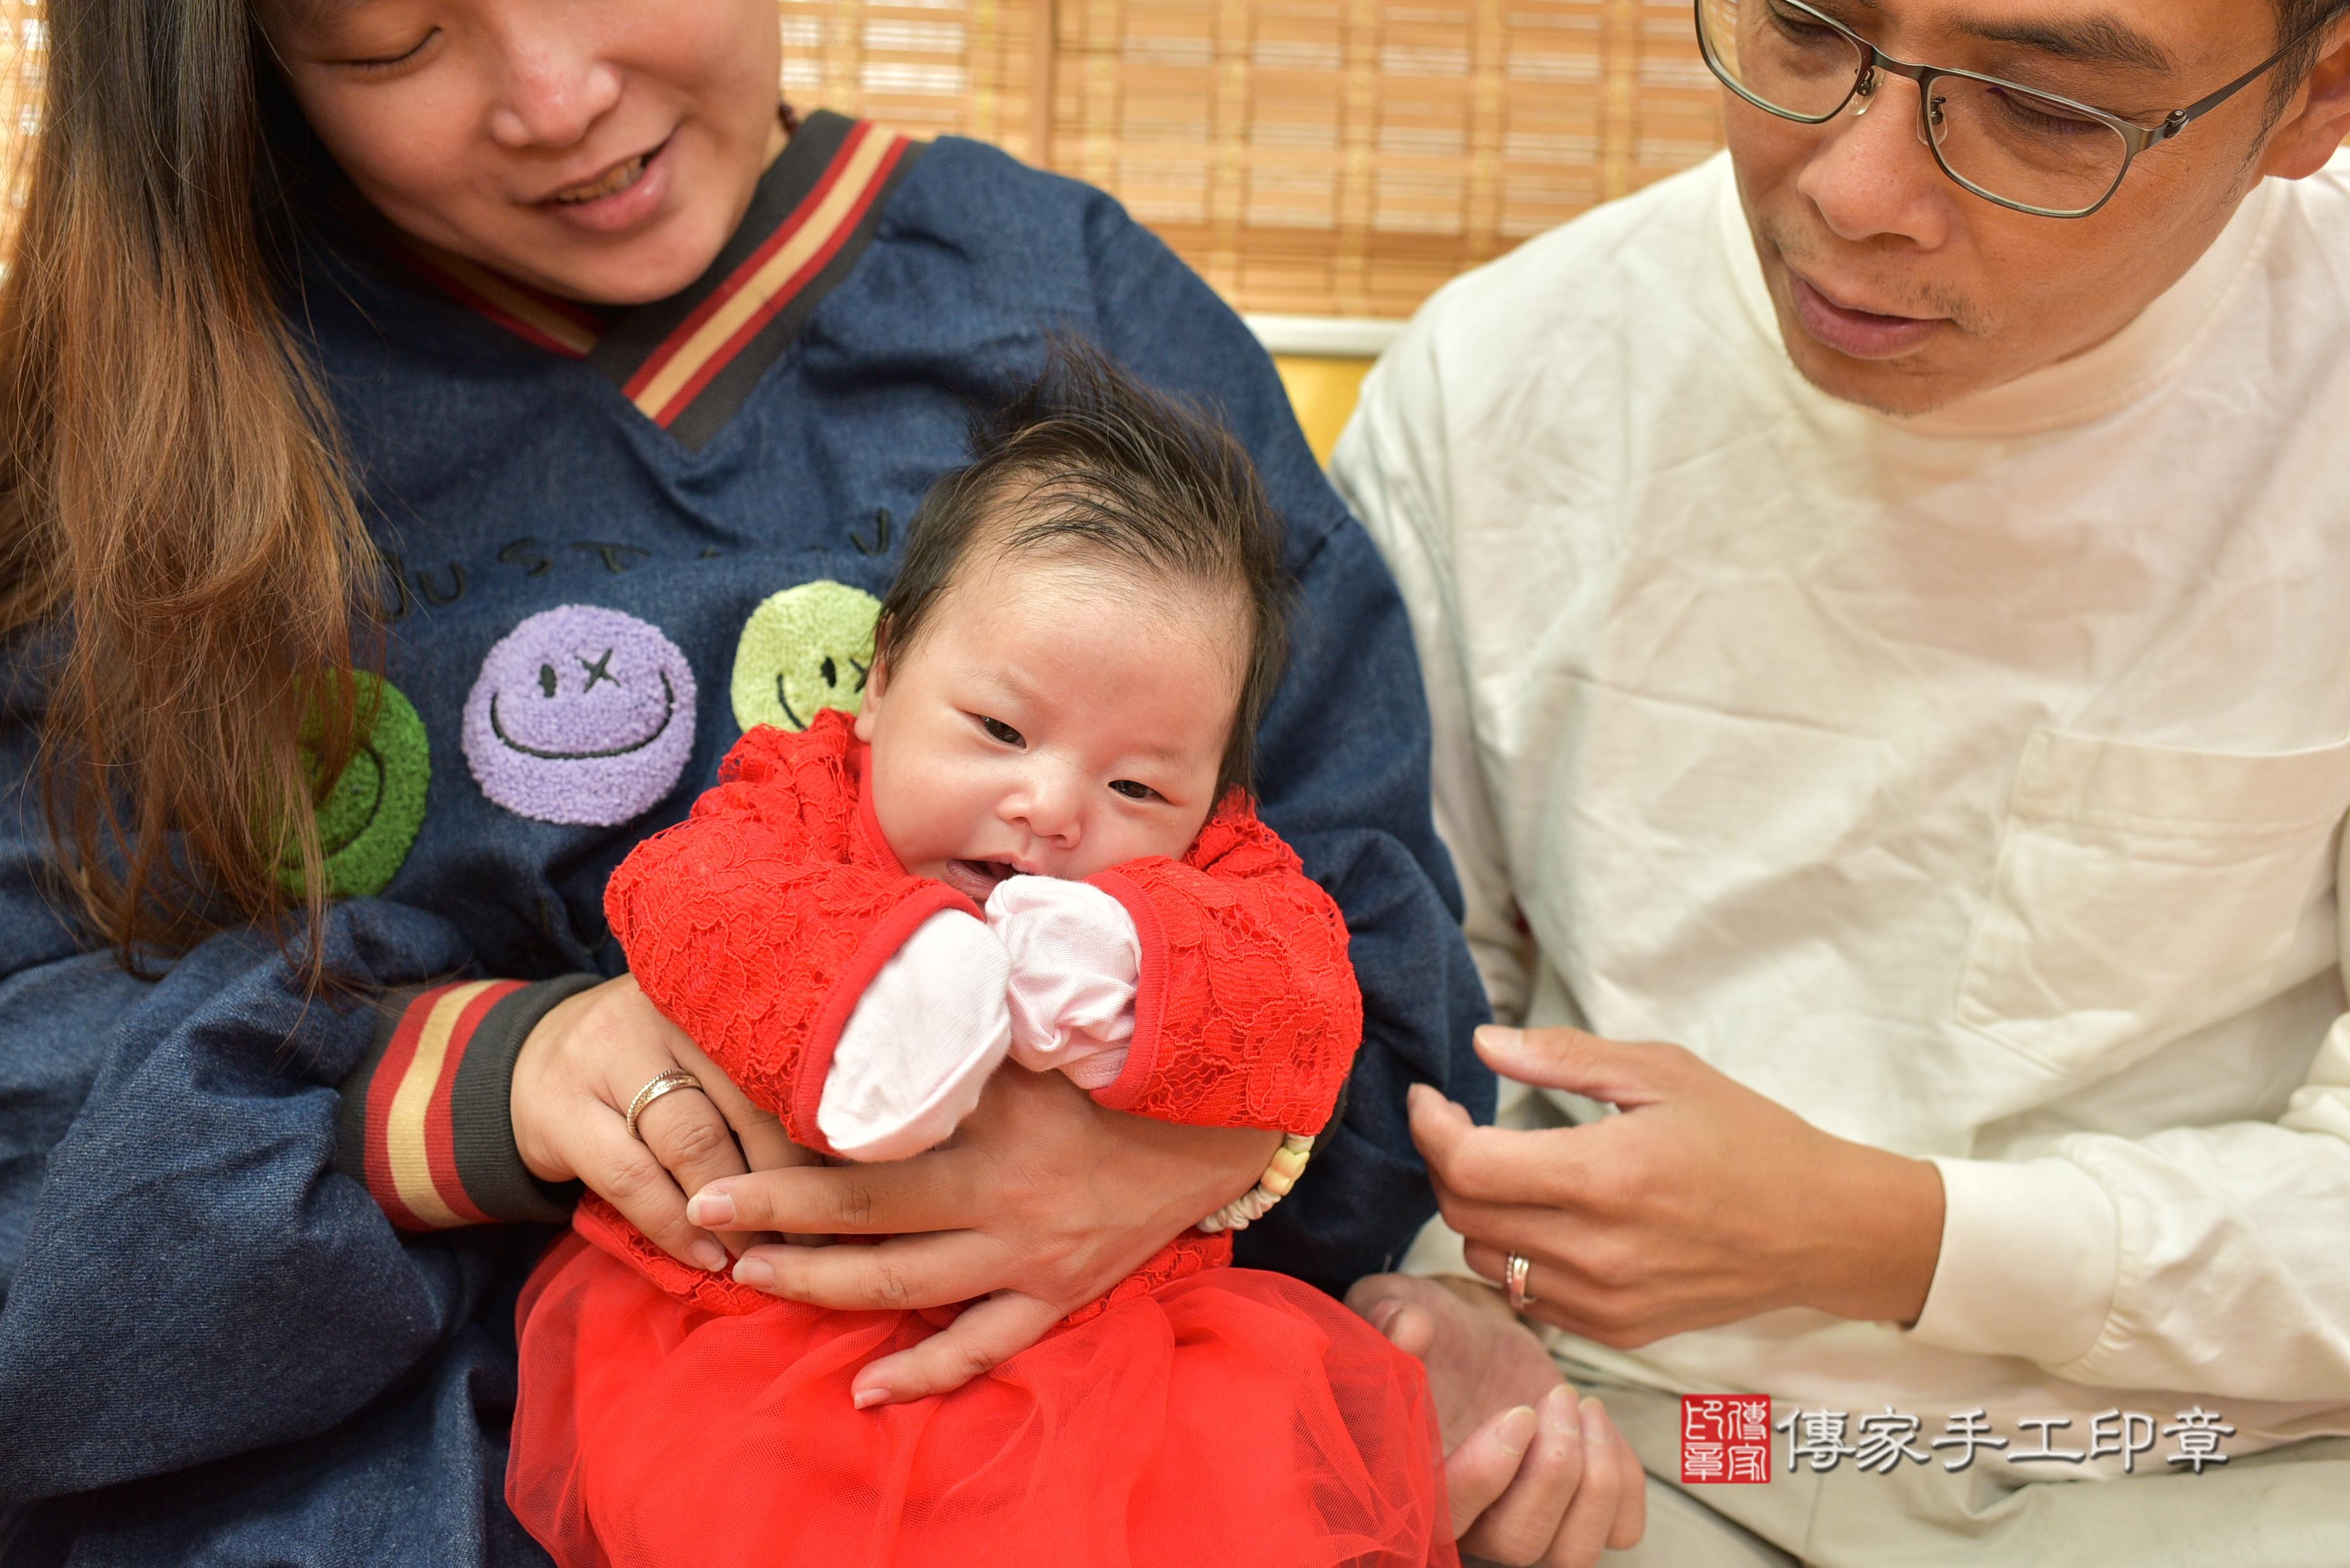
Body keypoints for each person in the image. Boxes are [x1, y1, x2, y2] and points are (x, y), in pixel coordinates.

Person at [0, 3, 1517, 1560]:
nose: (558, 99)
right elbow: (29, 1049)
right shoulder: (134, 413)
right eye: (394, 40)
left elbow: (1376, 989)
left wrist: (1190, 1141)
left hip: (1040, 1466)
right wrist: (480, 1076)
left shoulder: (1070, 308)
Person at [1335, 0, 2350, 1562]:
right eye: (1808, 27)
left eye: (2042, 109)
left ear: (2311, 99)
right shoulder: (1502, 381)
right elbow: (1389, 1010)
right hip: (1639, 1433)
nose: (1854, 188)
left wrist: (1890, 1236)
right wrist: (1444, 1295)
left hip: (2208, 1449)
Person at [508, 352, 1451, 1567]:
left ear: (1217, 791)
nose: (1052, 808)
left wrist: (1136, 965)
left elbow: (1308, 1000)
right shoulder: (796, 798)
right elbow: (686, 903)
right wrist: (882, 978)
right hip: (760, 1351)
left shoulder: (1223, 872)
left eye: (1137, 784)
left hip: (1116, 1363)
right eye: (999, 730)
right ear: (887, 672)